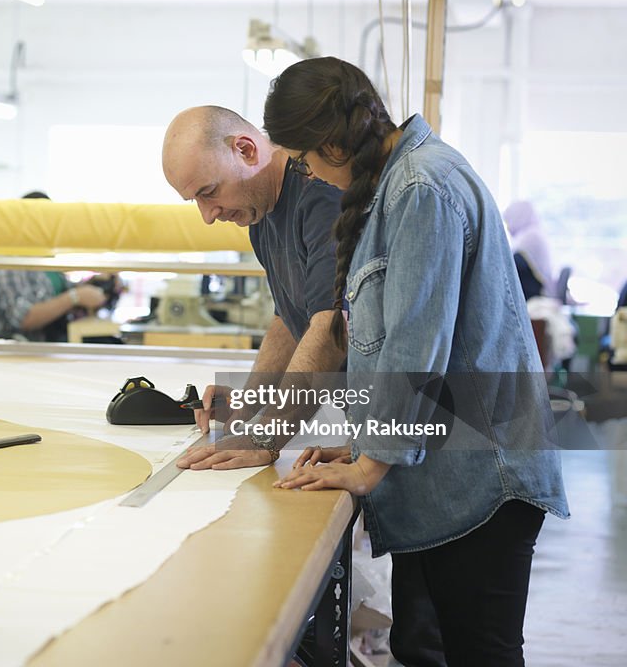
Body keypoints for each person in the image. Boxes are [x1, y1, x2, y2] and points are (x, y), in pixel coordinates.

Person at [263, 57, 568, 667]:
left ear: (330, 143)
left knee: (479, 654)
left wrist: (368, 466)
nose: (310, 176)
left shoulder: (419, 188)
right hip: (443, 476)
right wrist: (359, 448)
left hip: (484, 480)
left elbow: (415, 346)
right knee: (421, 648)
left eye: (304, 161)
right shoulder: (393, 186)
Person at [162, 106, 346, 469]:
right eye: (196, 200)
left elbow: (331, 326)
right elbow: (291, 320)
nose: (208, 215)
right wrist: (248, 406)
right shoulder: (261, 212)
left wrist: (266, 434)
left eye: (209, 192)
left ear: (246, 150)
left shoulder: (320, 196)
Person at [0, 191, 107, 341]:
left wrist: (94, 285)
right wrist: (75, 297)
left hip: (33, 347)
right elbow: (24, 318)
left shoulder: (39, 258)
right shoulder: (7, 260)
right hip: (3, 349)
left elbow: (61, 290)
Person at [503, 200, 554, 300]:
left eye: (509, 220)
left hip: (536, 294)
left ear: (518, 217)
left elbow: (511, 266)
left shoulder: (530, 236)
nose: (508, 226)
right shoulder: (533, 232)